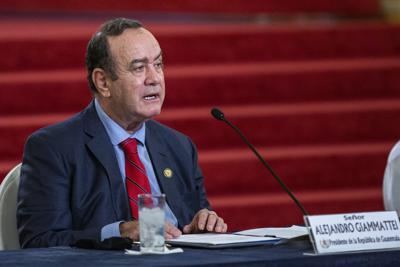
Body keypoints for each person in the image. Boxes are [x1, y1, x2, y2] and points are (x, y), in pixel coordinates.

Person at [17, 18, 227, 248]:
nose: (155, 78)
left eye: (158, 64)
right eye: (139, 68)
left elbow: (195, 221)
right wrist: (117, 232)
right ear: (103, 82)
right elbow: (39, 242)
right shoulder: (54, 148)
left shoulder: (179, 147)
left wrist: (202, 225)